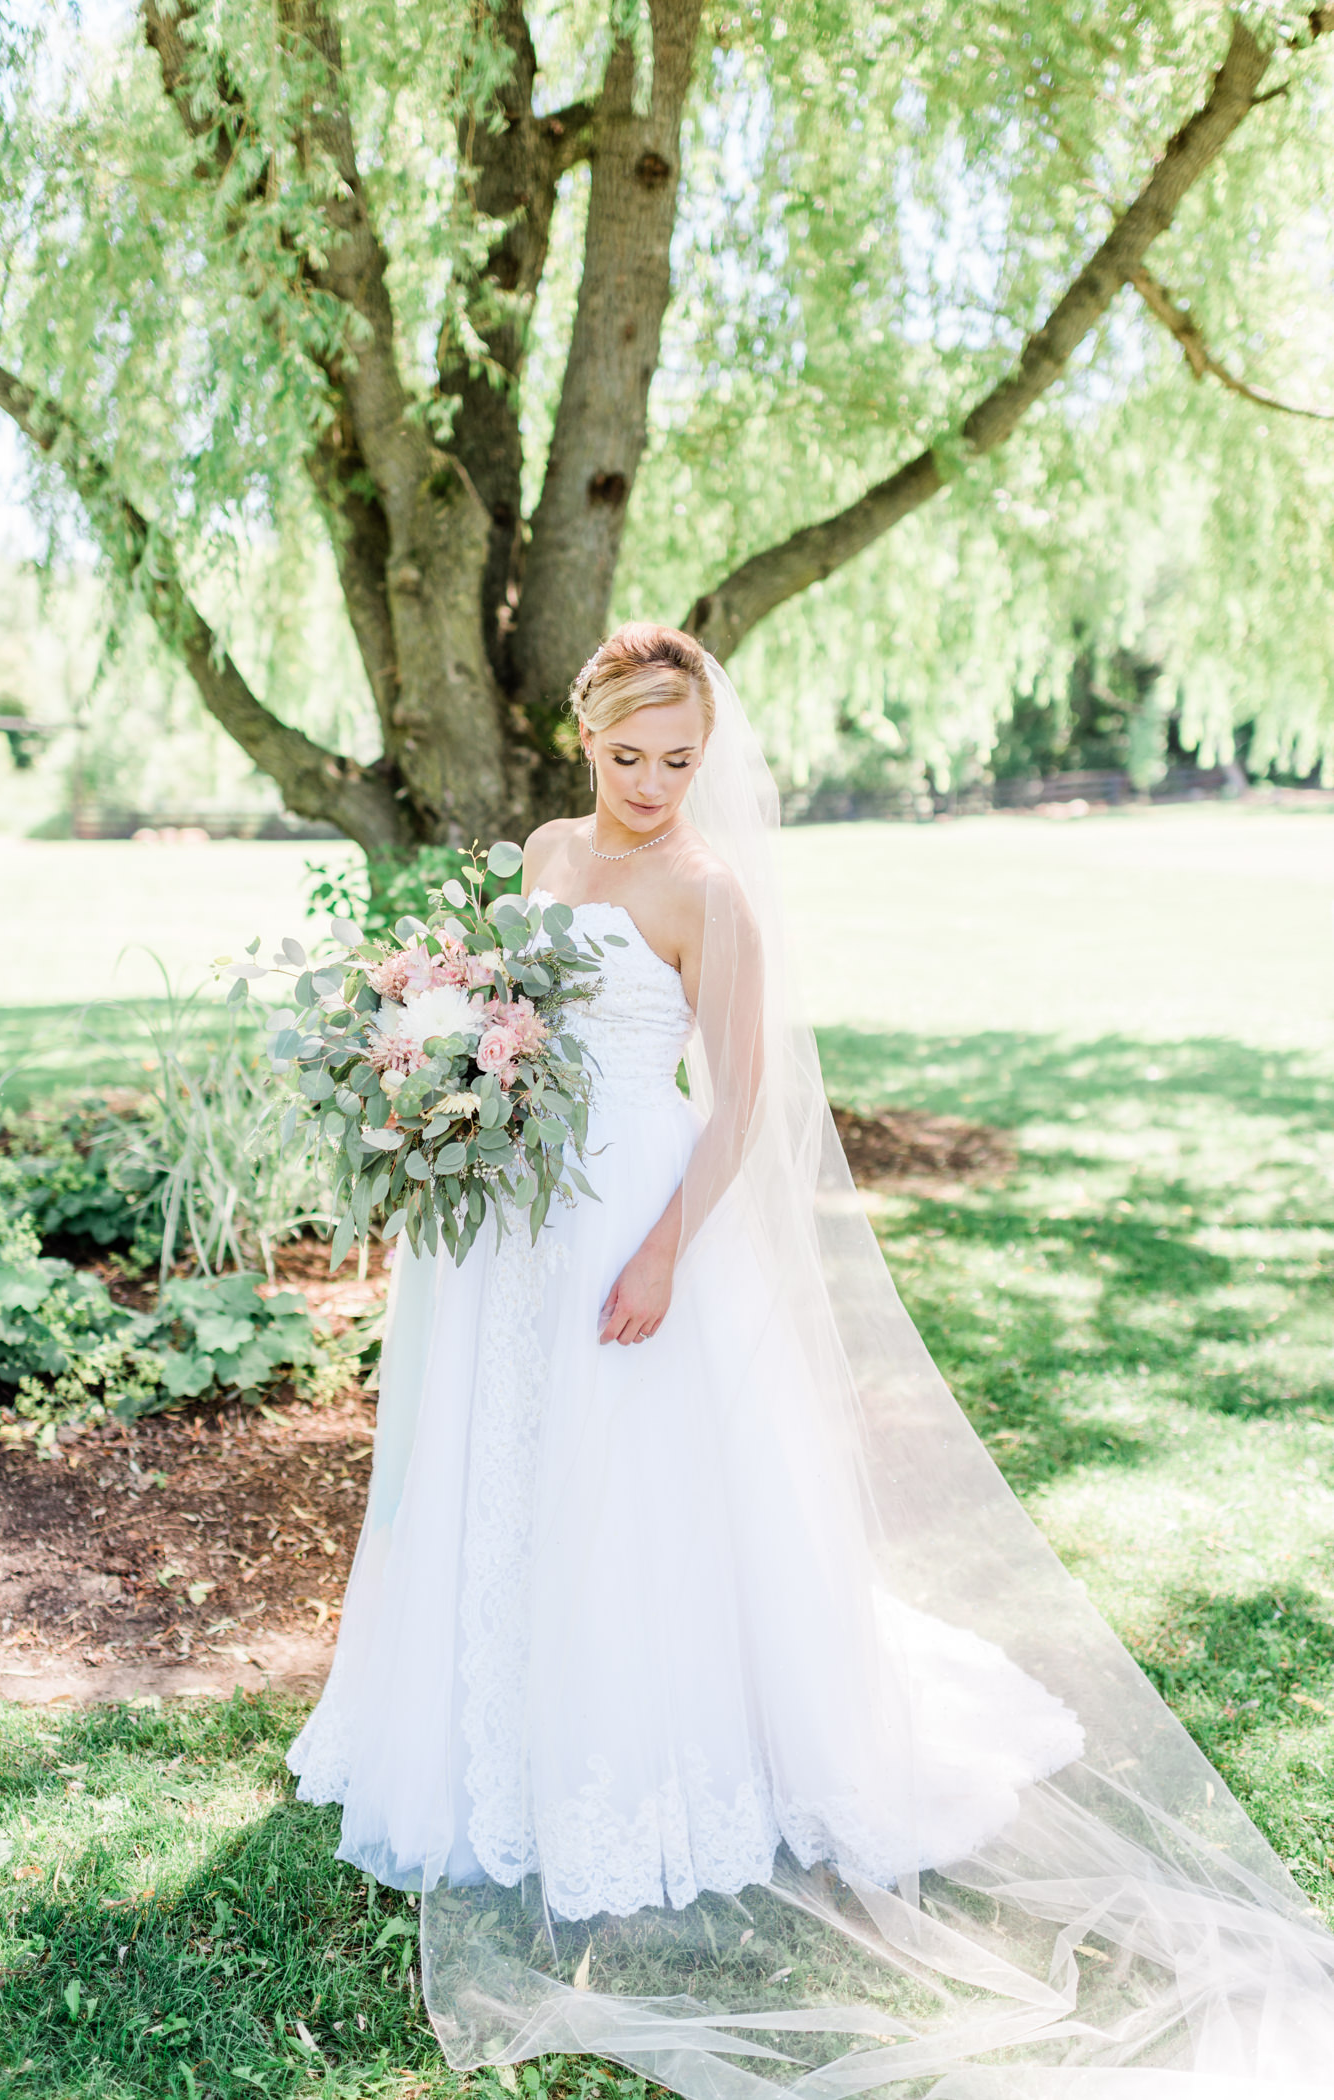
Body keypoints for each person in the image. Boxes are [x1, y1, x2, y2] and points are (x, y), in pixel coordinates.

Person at [290, 625, 1334, 2096]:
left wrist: (658, 1249)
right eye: (629, 754)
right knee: (509, 1462)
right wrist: (446, 1072)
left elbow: (735, 1104)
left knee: (632, 1481)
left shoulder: (710, 895)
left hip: (637, 1213)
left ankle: (651, 1748)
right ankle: (493, 1728)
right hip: (518, 1214)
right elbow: (514, 1015)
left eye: (679, 759)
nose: (653, 784)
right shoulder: (542, 848)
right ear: (582, 735)